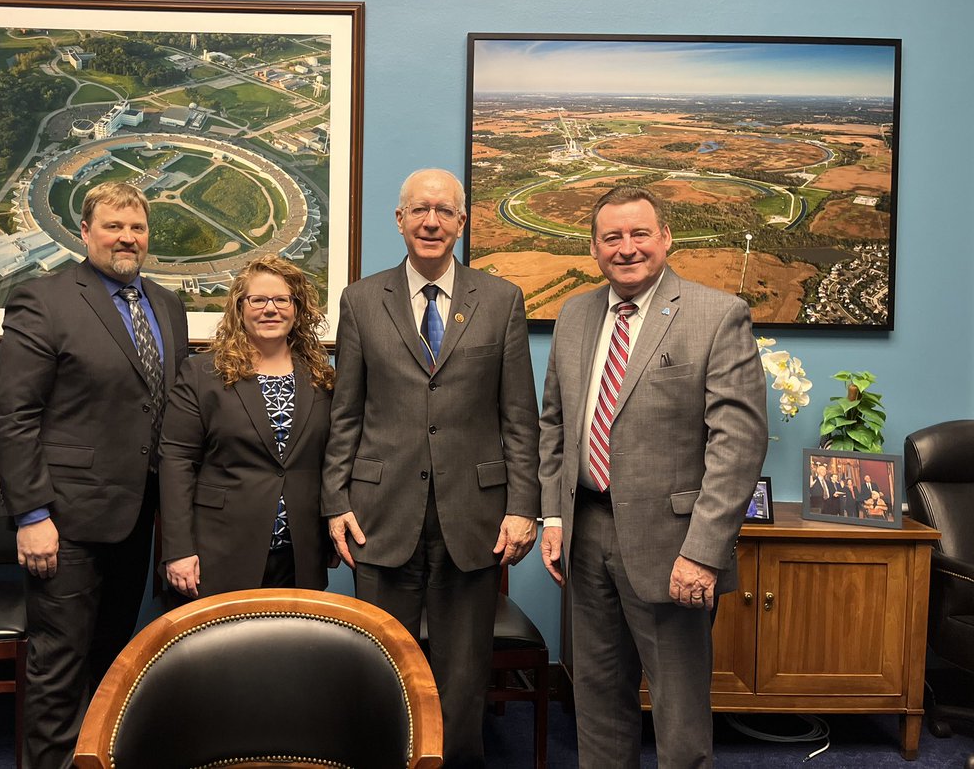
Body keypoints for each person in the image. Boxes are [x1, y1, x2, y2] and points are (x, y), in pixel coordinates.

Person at [538, 185, 767, 768]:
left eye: (640, 233)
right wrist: (554, 515)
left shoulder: (716, 315)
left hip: (674, 547)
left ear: (666, 238)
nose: (627, 248)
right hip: (586, 534)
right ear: (594, 248)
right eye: (612, 237)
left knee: (678, 710)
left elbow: (737, 446)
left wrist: (705, 552)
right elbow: (555, 425)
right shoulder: (574, 315)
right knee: (596, 697)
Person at [322, 168, 540, 768]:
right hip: (380, 513)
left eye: (444, 211)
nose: (431, 222)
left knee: (462, 679)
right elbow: (347, 412)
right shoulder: (362, 300)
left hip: (473, 517)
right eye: (419, 210)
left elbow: (519, 416)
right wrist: (335, 503)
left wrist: (524, 507)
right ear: (399, 220)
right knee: (380, 667)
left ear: (462, 223)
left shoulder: (501, 300)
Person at [0, 181, 189, 769]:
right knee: (58, 668)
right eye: (113, 227)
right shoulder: (44, 299)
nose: (127, 238)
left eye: (138, 228)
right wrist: (31, 515)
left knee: (109, 663)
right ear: (84, 232)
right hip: (65, 524)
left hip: (137, 522)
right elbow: (13, 414)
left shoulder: (167, 307)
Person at [160, 255, 334, 599]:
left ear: (296, 308)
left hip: (299, 557)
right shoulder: (202, 374)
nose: (271, 309)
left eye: (282, 299)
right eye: (258, 300)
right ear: (240, 308)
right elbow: (176, 460)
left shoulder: (321, 376)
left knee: (292, 652)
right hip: (220, 554)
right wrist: (178, 549)